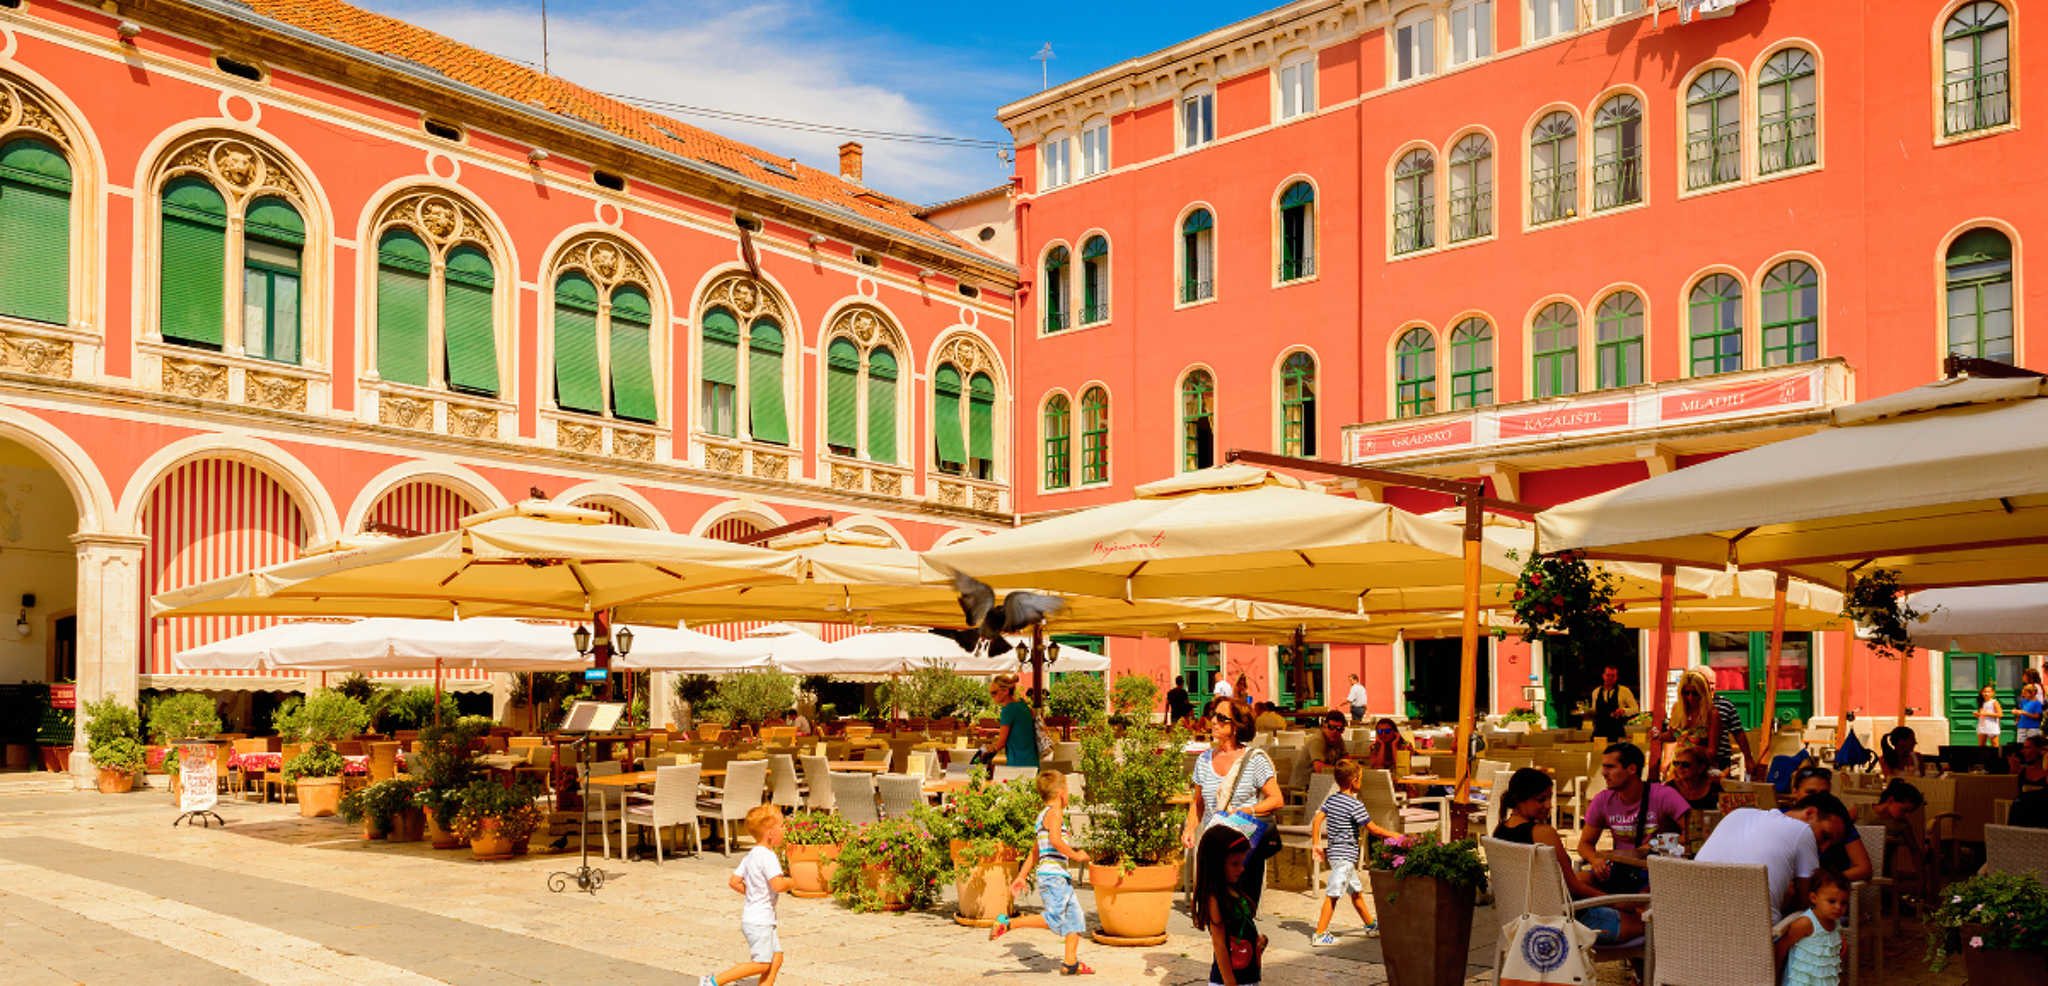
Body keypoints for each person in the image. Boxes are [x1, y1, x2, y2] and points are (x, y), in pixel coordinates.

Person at [1493, 767, 1642, 946]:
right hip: (1569, 923)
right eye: (1541, 799)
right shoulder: (1542, 833)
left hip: (1526, 921)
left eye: (1550, 798)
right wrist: (1614, 903)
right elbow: (1572, 886)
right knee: (1652, 923)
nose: (1549, 805)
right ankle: (1649, 973)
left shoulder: (1499, 832)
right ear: (1518, 800)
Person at [1180, 697, 1283, 910]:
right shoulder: (1204, 760)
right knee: (1215, 914)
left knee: (1241, 911)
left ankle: (1250, 942)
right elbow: (1198, 803)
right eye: (1213, 715)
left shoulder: (1254, 760)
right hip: (1212, 846)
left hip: (1242, 848)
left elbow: (1277, 799)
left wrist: (1248, 810)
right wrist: (1190, 828)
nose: (1213, 721)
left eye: (1221, 718)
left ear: (1237, 725)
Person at [991, 768, 1094, 976]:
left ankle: (1070, 963)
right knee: (1055, 918)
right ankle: (1008, 923)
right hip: (1054, 876)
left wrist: (1021, 876)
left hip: (1057, 876)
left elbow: (1035, 851)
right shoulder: (1055, 813)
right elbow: (1055, 841)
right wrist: (1076, 855)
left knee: (1075, 918)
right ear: (1062, 793)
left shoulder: (1042, 817)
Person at [1696, 792, 1852, 924]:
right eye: (1825, 836)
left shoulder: (1738, 813)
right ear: (1810, 813)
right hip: (1754, 937)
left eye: (1830, 844)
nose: (1824, 847)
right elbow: (1810, 904)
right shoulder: (1803, 831)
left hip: (1695, 925)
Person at [1577, 742, 1689, 894]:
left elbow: (1696, 835)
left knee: (1639, 901)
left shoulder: (1664, 795)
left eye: (1610, 767)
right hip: (1620, 872)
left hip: (1657, 873)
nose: (1603, 772)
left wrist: (1656, 843)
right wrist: (1595, 860)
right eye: (1603, 767)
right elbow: (1584, 843)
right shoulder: (1603, 800)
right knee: (1573, 884)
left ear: (1631, 769)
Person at [703, 805, 794, 986]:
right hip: (760, 921)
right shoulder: (768, 856)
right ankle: (712, 982)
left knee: (776, 958)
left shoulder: (752, 855)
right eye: (782, 826)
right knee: (762, 964)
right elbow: (778, 885)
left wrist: (753, 894)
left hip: (754, 918)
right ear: (770, 833)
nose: (785, 830)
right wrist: (795, 881)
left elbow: (734, 881)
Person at [1309, 760, 1395, 945]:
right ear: (1354, 781)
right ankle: (1320, 934)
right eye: (1361, 779)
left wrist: (1317, 844)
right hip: (1345, 857)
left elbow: (1317, 821)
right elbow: (1374, 830)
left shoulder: (1331, 799)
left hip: (1335, 855)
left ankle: (1371, 925)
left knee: (1356, 892)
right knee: (1333, 895)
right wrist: (1396, 836)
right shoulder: (1355, 805)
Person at [1191, 827, 1266, 986]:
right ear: (1216, 864)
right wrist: (1229, 982)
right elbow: (1219, 944)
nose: (1242, 868)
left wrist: (1256, 941)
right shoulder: (1215, 899)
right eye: (1234, 863)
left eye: (1242, 862)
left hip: (1247, 975)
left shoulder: (1234, 891)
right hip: (1231, 980)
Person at [1788, 765, 1872, 881]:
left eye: (1824, 793)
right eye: (1810, 792)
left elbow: (1864, 869)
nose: (1818, 798)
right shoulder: (1784, 820)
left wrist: (1827, 882)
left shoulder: (1837, 824)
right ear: (1795, 793)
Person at [1774, 868, 1851, 986]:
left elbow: (1829, 935)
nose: (1839, 907)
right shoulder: (1806, 923)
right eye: (1832, 901)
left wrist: (1840, 938)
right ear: (1814, 898)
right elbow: (1782, 945)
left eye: (1844, 903)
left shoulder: (1834, 920)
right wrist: (1773, 974)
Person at [979, 675, 1039, 769]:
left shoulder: (1008, 710)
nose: (992, 696)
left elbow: (1001, 743)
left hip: (1017, 764)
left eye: (994, 693)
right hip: (1032, 762)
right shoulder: (1023, 705)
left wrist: (990, 748)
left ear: (1006, 691)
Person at [1296, 712, 1350, 787]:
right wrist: (1345, 770)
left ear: (1343, 730)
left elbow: (1347, 760)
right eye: (1331, 727)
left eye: (1338, 728)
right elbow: (1320, 769)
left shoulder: (1338, 739)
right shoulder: (1317, 741)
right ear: (1325, 726)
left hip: (1323, 783)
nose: (1334, 731)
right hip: (1303, 786)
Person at [1588, 664, 1638, 743]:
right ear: (1603, 676)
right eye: (1608, 675)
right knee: (1597, 754)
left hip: (1616, 731)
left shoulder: (1624, 691)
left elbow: (1635, 709)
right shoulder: (1596, 692)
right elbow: (1595, 710)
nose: (1610, 678)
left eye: (1613, 676)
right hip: (1600, 731)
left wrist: (1624, 711)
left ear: (1616, 677)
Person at [1667, 748, 1724, 814]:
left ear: (1700, 768)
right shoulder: (1669, 789)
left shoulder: (1715, 790)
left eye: (1685, 764)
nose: (1679, 767)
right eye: (1676, 763)